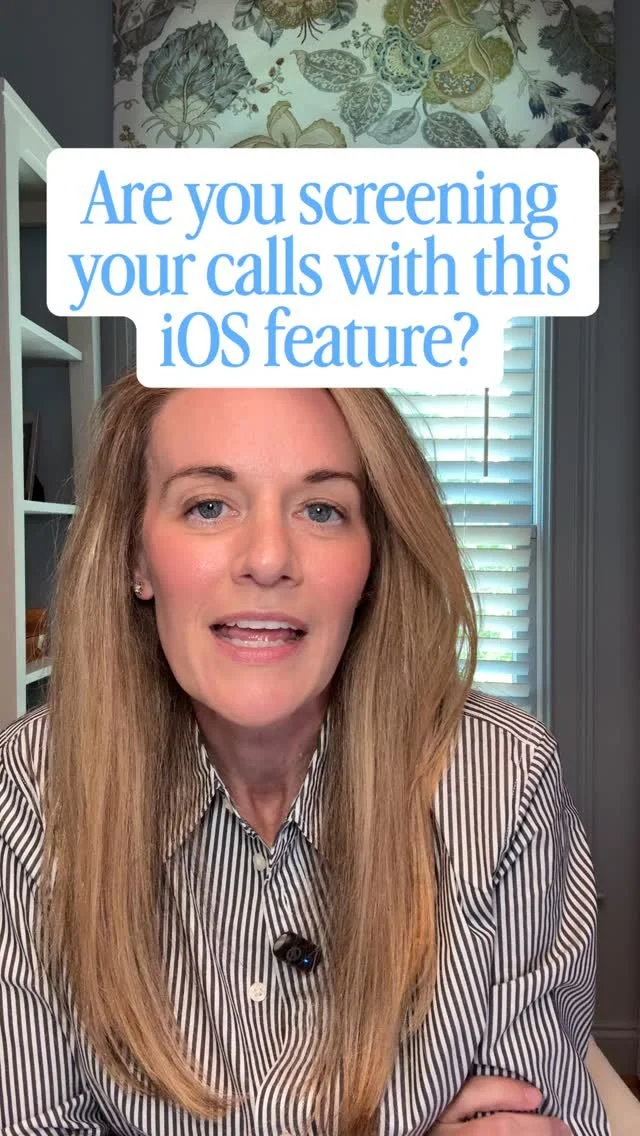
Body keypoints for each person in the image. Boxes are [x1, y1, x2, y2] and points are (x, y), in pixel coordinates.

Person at [0, 376, 608, 1136]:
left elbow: (534, 1117)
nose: (268, 559)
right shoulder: (32, 789)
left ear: (372, 562)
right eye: (208, 505)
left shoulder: (503, 777)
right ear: (137, 558)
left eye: (321, 510)